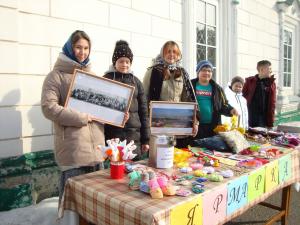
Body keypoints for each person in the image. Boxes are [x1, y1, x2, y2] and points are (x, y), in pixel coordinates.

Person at [41, 30, 106, 203]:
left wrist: (117, 115)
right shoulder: (56, 76)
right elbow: (49, 107)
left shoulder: (92, 77)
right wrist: (81, 117)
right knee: (73, 206)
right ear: (70, 47)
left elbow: (101, 109)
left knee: (95, 205)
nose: (82, 52)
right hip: (74, 151)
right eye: (78, 47)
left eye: (86, 48)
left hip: (97, 151)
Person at [143, 40, 199, 147]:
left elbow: (189, 98)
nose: (171, 55)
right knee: (159, 158)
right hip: (158, 124)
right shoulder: (153, 71)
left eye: (174, 52)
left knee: (177, 158)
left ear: (178, 55)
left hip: (178, 125)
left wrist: (195, 122)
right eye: (168, 51)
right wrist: (145, 123)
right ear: (163, 53)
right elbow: (144, 97)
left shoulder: (182, 73)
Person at [103, 40, 150, 161]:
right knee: (115, 171)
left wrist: (146, 140)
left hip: (134, 137)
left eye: (127, 61)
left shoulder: (136, 82)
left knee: (134, 172)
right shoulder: (106, 80)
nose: (124, 64)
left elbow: (144, 113)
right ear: (114, 62)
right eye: (121, 61)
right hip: (114, 135)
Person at [191, 60, 238, 139]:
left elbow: (223, 104)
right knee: (192, 148)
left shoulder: (217, 88)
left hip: (212, 127)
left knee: (209, 150)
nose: (206, 73)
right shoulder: (190, 86)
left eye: (209, 71)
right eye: (203, 70)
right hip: (194, 126)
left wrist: (231, 110)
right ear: (198, 72)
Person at [243, 60, 276, 128]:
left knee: (262, 137)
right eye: (269, 69)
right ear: (261, 69)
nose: (271, 71)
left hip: (263, 119)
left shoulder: (271, 83)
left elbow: (273, 103)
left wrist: (270, 122)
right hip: (250, 117)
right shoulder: (249, 81)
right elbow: (243, 97)